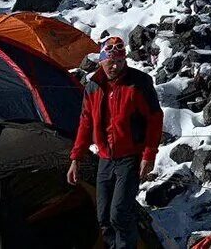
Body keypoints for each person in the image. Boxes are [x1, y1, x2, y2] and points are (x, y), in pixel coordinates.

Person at [68, 35, 162, 249]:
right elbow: (85, 123)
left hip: (130, 157)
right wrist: (76, 158)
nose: (115, 66)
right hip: (105, 159)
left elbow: (155, 119)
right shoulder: (93, 87)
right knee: (103, 217)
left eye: (120, 61)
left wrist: (149, 155)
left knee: (119, 213)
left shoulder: (138, 83)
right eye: (111, 62)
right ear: (101, 60)